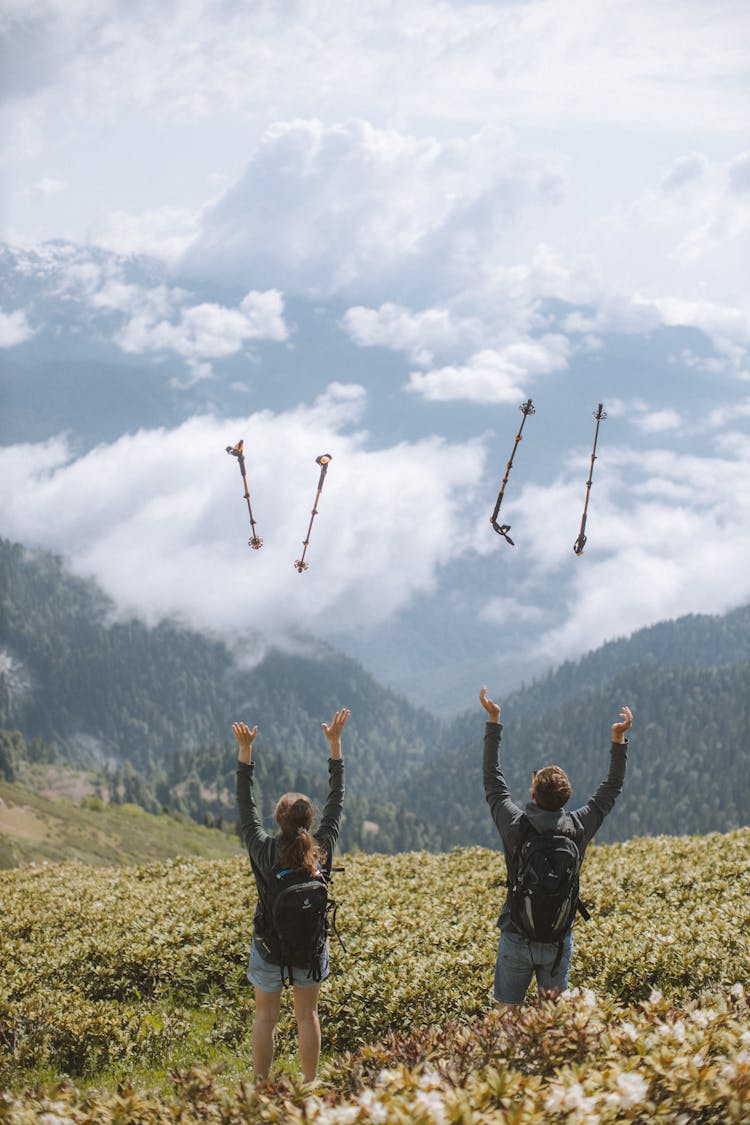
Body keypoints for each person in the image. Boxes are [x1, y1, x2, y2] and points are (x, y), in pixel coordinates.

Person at [479, 686, 632, 1008]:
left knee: (506, 1017)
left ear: (533, 795)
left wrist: (494, 721)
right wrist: (618, 740)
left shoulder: (515, 825)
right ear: (566, 798)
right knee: (552, 1021)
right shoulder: (578, 827)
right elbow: (611, 788)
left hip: (516, 932)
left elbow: (492, 781)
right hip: (558, 938)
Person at [233, 708, 349, 1084]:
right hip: (309, 947)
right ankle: (310, 1084)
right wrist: (335, 746)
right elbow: (337, 801)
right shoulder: (322, 848)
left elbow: (245, 806)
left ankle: (263, 1087)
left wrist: (245, 753)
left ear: (278, 820)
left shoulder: (263, 849)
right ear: (310, 822)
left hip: (269, 944)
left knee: (265, 1017)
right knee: (307, 1016)